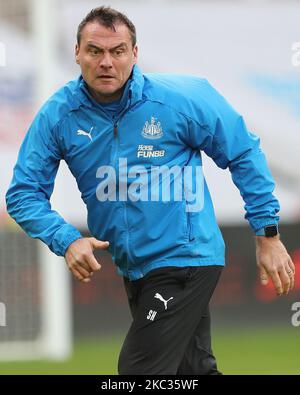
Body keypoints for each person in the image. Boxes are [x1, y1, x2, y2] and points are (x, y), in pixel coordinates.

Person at [6, 6, 295, 375]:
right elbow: (23, 193)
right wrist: (66, 239)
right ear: (77, 53)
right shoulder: (58, 116)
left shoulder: (180, 98)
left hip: (186, 258)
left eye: (118, 51)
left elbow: (242, 150)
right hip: (135, 267)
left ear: (135, 53)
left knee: (138, 372)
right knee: (192, 372)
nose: (106, 62)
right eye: (95, 51)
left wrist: (267, 233)